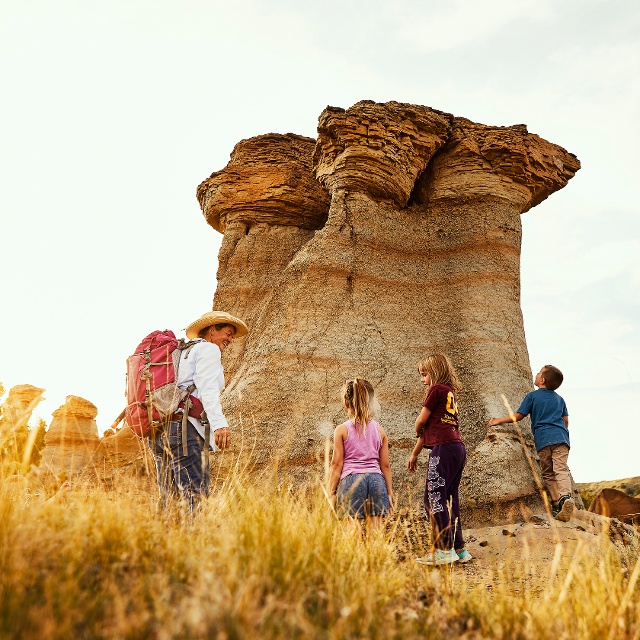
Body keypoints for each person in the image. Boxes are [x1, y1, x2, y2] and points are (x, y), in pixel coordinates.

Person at [150, 310, 248, 510]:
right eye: (228, 334)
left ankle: (165, 539)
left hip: (161, 432)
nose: (230, 340)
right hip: (185, 432)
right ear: (212, 330)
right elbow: (208, 389)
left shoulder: (182, 352)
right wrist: (220, 424)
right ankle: (194, 538)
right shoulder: (208, 350)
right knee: (195, 497)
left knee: (169, 502)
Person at [487, 365, 573, 522]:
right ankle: (565, 497)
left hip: (543, 440)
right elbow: (566, 420)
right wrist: (560, 431)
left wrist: (498, 420)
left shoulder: (533, 396)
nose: (536, 373)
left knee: (548, 473)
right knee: (561, 468)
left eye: (539, 372)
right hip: (561, 439)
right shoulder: (560, 399)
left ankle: (556, 502)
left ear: (542, 380)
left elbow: (519, 416)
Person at [407, 354, 471, 566]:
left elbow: (421, 422)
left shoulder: (436, 390)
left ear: (435, 372)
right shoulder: (449, 394)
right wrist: (415, 454)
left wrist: (416, 427)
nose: (422, 380)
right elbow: (429, 432)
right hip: (456, 448)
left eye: (425, 375)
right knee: (450, 499)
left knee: (432, 498)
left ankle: (443, 550)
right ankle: (459, 548)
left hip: (443, 450)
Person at [329, 378, 393, 533]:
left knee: (352, 530)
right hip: (376, 480)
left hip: (351, 480)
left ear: (346, 402)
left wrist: (331, 492)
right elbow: (385, 465)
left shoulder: (342, 430)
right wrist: (389, 493)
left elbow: (336, 464)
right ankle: (375, 557)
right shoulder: (380, 430)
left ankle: (356, 557)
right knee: (375, 531)